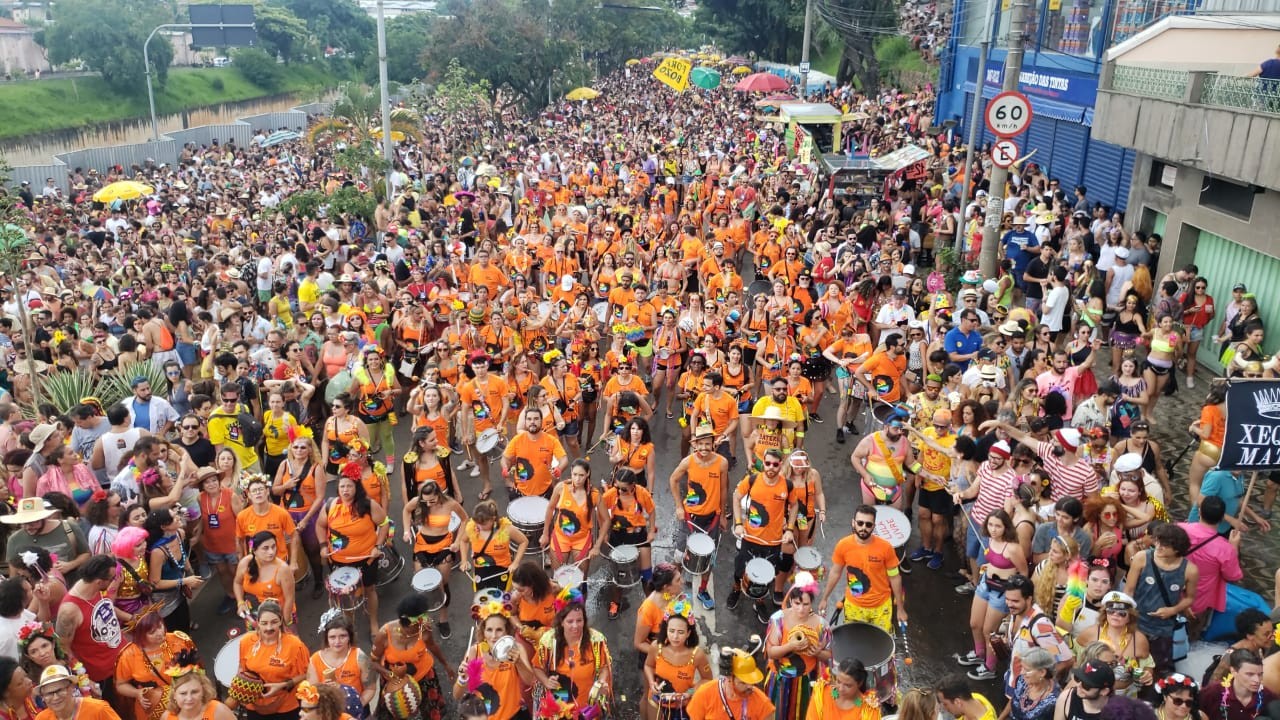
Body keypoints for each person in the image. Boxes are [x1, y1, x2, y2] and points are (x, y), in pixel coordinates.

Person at [315, 471, 388, 639]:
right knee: (344, 595)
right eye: (342, 486)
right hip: (338, 561)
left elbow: (384, 524)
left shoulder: (369, 505)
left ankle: (373, 623)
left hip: (366, 559)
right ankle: (348, 626)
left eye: (349, 486)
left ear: (357, 487)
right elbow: (320, 525)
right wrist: (323, 546)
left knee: (369, 590)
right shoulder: (331, 505)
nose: (345, 490)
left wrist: (378, 545)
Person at [728, 448, 797, 623]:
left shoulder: (787, 485)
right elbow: (736, 497)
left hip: (773, 541)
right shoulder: (752, 480)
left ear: (781, 465)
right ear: (763, 463)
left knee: (766, 575)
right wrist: (737, 523)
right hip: (750, 538)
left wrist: (789, 528)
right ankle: (736, 589)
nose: (771, 467)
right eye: (768, 463)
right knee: (740, 569)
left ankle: (759, 602)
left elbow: (794, 506)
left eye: (775, 464)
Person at [668, 426, 730, 610]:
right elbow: (673, 479)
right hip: (689, 516)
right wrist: (679, 506)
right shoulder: (688, 462)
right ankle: (674, 590)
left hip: (712, 518)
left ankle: (702, 590)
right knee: (679, 555)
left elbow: (723, 489)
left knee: (709, 558)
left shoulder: (722, 463)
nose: (704, 448)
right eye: (701, 444)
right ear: (695, 445)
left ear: (713, 444)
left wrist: (723, 514)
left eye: (707, 444)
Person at [1125, 522, 1198, 676]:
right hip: (1137, 622)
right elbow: (1129, 591)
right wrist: (1126, 617)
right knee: (1130, 663)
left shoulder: (1190, 570)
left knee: (1158, 668)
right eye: (1158, 541)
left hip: (1163, 628)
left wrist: (1173, 610)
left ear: (1177, 549)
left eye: (1165, 545)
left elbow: (1190, 598)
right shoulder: (1141, 558)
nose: (1158, 546)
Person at [53, 555, 123, 711]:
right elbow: (63, 648)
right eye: (112, 578)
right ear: (99, 581)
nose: (114, 580)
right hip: (101, 675)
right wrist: (83, 679)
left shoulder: (95, 588)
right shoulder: (70, 611)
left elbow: (104, 608)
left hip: (120, 661)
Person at [370, 594, 451, 720]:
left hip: (424, 675)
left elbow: (432, 646)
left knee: (431, 712)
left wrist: (446, 665)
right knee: (393, 714)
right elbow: (373, 662)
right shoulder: (385, 634)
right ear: (406, 623)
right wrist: (390, 675)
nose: (423, 624)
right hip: (394, 680)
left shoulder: (424, 629)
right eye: (418, 623)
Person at [452, 598, 536, 720]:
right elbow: (456, 695)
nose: (493, 636)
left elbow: (530, 681)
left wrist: (518, 663)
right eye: (489, 630)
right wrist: (462, 679)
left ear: (507, 631)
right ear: (483, 631)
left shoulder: (516, 649)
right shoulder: (474, 652)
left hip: (514, 716)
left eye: (499, 630)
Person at [764, 573, 831, 720]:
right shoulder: (778, 620)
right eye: (796, 603)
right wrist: (791, 646)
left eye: (805, 604)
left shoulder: (821, 625)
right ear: (790, 602)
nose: (801, 609)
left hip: (807, 681)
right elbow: (771, 653)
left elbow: (830, 655)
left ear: (812, 602)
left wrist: (818, 653)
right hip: (781, 679)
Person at [531, 600, 613, 719]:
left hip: (586, 708)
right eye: (570, 621)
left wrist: (601, 683)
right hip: (557, 709)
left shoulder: (595, 641)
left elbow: (604, 667)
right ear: (562, 622)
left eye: (579, 620)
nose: (575, 626)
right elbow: (537, 667)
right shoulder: (549, 642)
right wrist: (546, 681)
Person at [228, 600, 309, 718]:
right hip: (255, 706)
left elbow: (308, 673)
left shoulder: (295, 645)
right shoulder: (247, 641)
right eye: (264, 623)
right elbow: (242, 668)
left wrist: (283, 685)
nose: (269, 628)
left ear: (281, 621)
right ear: (257, 623)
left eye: (274, 622)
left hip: (286, 707)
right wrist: (240, 689)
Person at [1180, 496, 1244, 640]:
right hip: (1198, 600)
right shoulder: (1224, 548)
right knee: (1187, 638)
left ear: (1199, 512)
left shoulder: (1179, 529)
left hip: (1170, 593)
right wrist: (1234, 547)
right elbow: (1233, 576)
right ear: (1222, 518)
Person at [113, 612, 194, 720]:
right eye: (152, 632)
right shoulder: (128, 655)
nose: (160, 633)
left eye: (160, 626)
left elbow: (198, 669)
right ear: (140, 635)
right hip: (155, 709)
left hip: (186, 699)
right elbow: (120, 685)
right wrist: (137, 693)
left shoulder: (178, 640)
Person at [642, 608, 712, 720]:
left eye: (680, 632)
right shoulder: (656, 646)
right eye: (671, 631)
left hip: (683, 706)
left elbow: (707, 679)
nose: (675, 637)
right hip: (657, 701)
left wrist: (690, 692)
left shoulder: (697, 654)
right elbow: (648, 665)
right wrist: (651, 682)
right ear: (666, 630)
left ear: (688, 633)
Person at [306, 615, 376, 713]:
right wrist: (323, 689)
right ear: (326, 638)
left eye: (342, 636)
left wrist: (356, 705)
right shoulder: (315, 660)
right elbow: (311, 693)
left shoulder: (359, 657)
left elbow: (370, 689)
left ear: (350, 637)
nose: (337, 642)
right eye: (332, 637)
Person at [457, 499, 529, 592]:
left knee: (502, 600)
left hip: (502, 569)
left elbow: (524, 541)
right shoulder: (473, 527)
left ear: (493, 518)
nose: (479, 527)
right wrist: (464, 561)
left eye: (483, 524)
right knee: (481, 598)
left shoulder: (506, 529)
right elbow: (463, 541)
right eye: (477, 523)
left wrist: (515, 562)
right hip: (481, 569)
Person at [685, 648, 774, 720]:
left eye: (752, 682)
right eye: (743, 682)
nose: (750, 686)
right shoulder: (704, 694)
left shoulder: (762, 703)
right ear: (729, 678)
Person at [849, 411, 913, 510]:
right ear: (886, 427)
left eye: (901, 429)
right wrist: (865, 474)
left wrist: (930, 475)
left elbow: (912, 464)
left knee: (895, 519)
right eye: (895, 429)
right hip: (871, 489)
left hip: (894, 490)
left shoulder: (905, 442)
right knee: (870, 518)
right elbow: (855, 457)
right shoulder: (870, 440)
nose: (899, 432)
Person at [1198, 649, 1276, 720]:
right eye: (1250, 674)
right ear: (1233, 671)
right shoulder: (1212, 693)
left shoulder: (1268, 697)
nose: (1257, 680)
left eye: (1260, 674)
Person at [34, 665, 121, 720]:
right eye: (49, 694)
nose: (55, 697)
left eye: (60, 690)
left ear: (71, 688)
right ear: (43, 697)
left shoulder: (98, 709)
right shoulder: (42, 718)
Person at [164, 659, 237, 720]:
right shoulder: (167, 717)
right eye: (183, 693)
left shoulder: (218, 711)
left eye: (194, 692)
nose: (189, 698)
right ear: (174, 695)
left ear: (203, 690)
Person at [1010, 647, 1060, 720]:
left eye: (1027, 670)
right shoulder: (1022, 681)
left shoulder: (1054, 701)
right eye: (1022, 668)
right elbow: (1013, 699)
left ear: (1042, 672)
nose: (1021, 672)